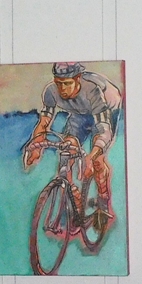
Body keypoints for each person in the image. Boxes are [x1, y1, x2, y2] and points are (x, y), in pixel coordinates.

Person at [24, 61, 123, 229]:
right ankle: (74, 202)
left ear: (78, 79)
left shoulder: (92, 90)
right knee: (66, 150)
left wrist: (91, 157)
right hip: (79, 113)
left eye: (67, 83)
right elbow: (43, 124)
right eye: (58, 83)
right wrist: (36, 146)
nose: (62, 89)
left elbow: (104, 130)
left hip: (107, 109)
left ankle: (103, 202)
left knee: (97, 160)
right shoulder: (50, 92)